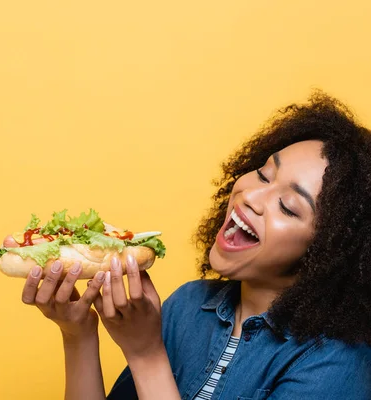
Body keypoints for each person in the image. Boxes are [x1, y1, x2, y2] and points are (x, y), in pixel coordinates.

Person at [21, 91, 371, 400]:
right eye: (264, 174)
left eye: (287, 206)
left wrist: (146, 355)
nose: (251, 196)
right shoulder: (188, 306)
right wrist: (78, 334)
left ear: (328, 253)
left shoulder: (337, 365)